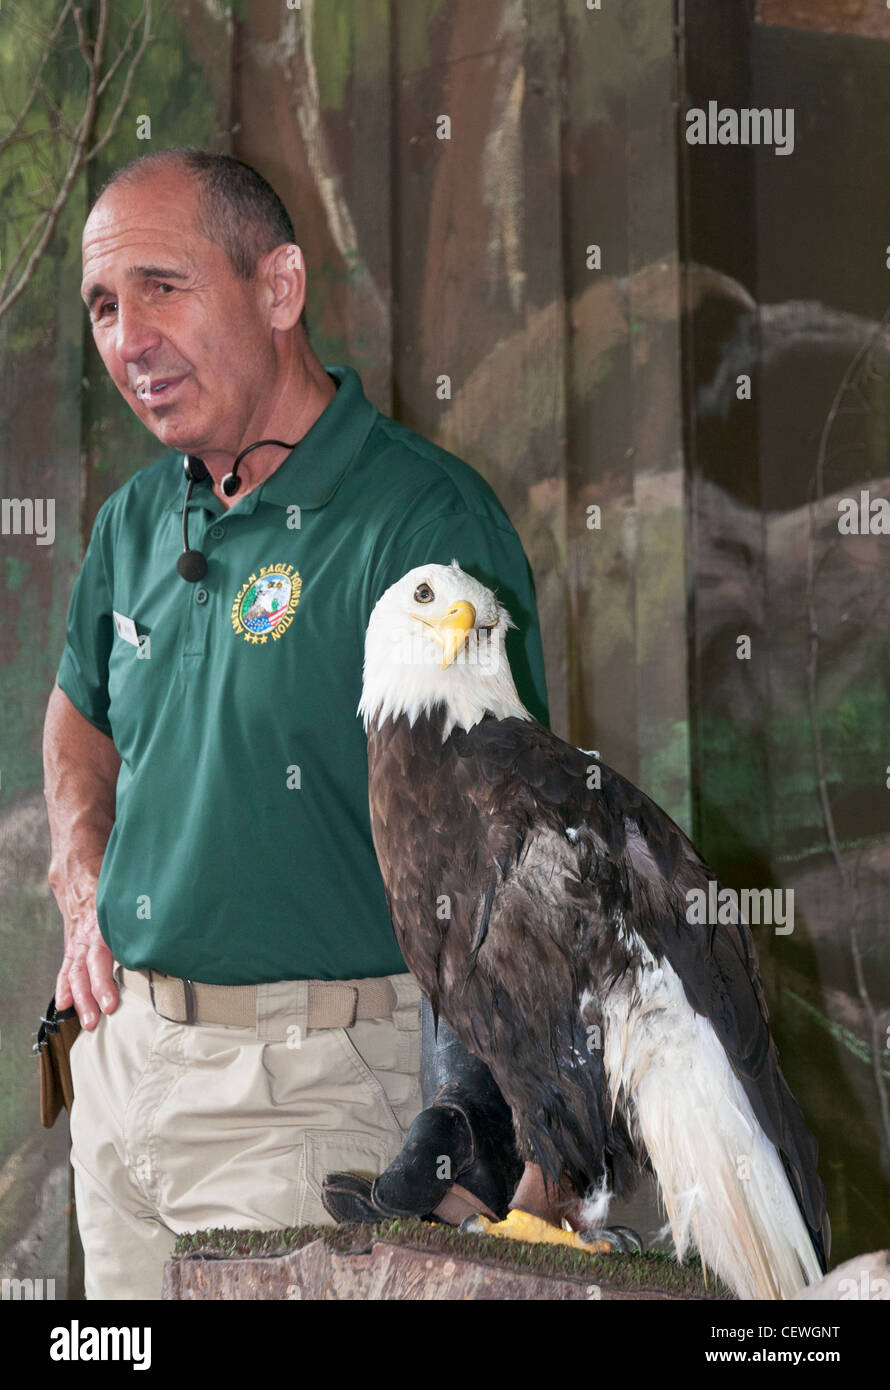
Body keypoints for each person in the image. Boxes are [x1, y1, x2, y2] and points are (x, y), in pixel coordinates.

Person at [43, 148, 549, 1299]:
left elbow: (503, 861)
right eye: (105, 306)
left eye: (163, 288)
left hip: (315, 1098)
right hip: (120, 1083)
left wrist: (487, 1137)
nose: (127, 339)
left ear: (279, 290)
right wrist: (82, 886)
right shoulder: (136, 518)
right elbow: (75, 716)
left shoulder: (420, 525)